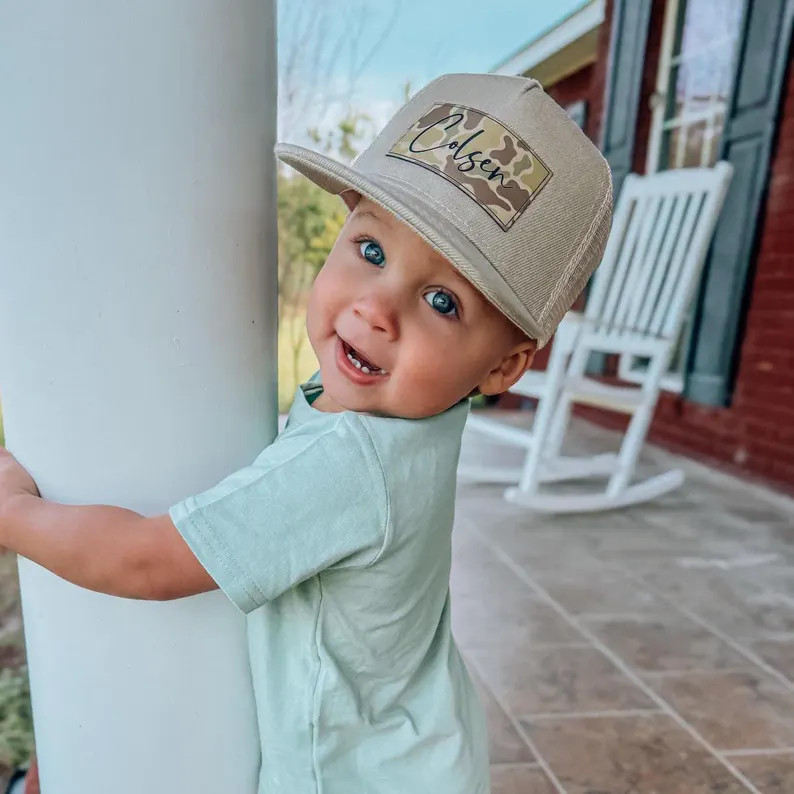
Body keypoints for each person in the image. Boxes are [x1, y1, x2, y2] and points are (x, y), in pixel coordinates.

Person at [0, 73, 612, 793]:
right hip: (423, 744)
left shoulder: (349, 463)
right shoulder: (422, 412)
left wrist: (15, 514)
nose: (378, 309)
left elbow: (146, 562)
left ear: (502, 366)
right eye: (373, 251)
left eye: (443, 301)